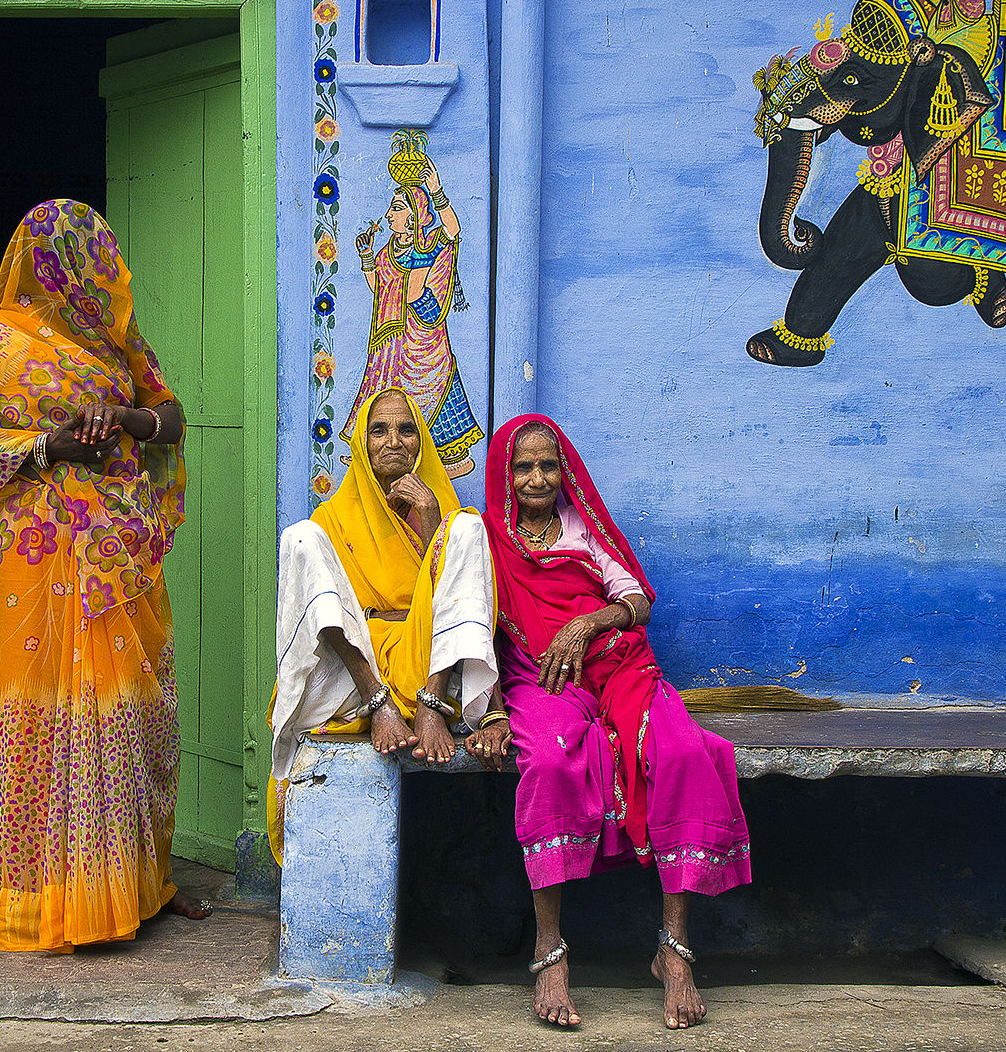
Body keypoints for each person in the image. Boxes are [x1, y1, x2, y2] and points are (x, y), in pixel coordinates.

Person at [0, 199, 209, 952]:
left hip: (118, 556)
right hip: (32, 555)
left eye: (97, 257)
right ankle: (41, 905)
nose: (92, 273)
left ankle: (140, 886)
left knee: (136, 715)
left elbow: (172, 418)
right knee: (38, 718)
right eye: (75, 259)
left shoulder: (118, 344)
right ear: (40, 264)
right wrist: (47, 446)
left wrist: (127, 421)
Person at [474, 415, 752, 1030]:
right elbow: (473, 625)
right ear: (504, 475)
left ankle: (674, 950)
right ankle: (550, 951)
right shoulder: (486, 539)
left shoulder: (585, 526)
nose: (538, 478)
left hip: (619, 666)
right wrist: (490, 710)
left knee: (683, 753)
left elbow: (638, 603)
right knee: (550, 761)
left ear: (565, 470)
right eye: (524, 467)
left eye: (549, 465)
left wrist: (590, 622)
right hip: (543, 678)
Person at [268, 387, 499, 856]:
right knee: (299, 537)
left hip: (428, 664)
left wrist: (432, 520)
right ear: (362, 443)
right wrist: (378, 689)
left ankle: (430, 705)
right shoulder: (333, 519)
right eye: (379, 430)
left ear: (421, 443)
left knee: (467, 526)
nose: (394, 441)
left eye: (406, 429)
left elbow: (455, 602)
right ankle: (381, 705)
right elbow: (331, 614)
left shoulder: (444, 512)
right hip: (357, 673)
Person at [339, 160, 483, 479]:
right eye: (391, 208)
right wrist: (366, 257)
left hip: (422, 334)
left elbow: (453, 230)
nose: (389, 215)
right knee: (382, 389)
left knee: (432, 384)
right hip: (391, 337)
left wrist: (436, 190)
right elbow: (380, 289)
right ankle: (372, 449)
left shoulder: (429, 243)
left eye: (396, 208)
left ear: (414, 213)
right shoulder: (389, 250)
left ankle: (448, 456)